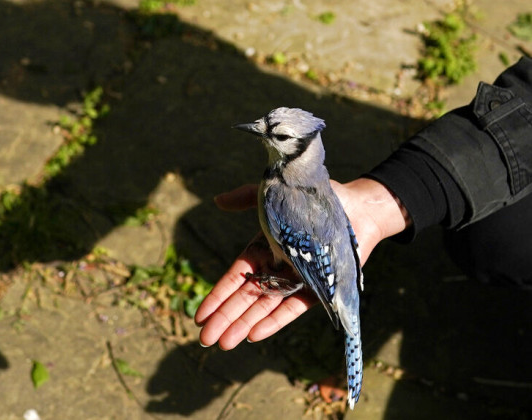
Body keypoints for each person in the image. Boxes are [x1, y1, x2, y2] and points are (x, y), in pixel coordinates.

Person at [194, 56, 532, 351]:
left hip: (326, 274)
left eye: (277, 135)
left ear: (304, 148)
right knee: (488, 242)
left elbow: (312, 268)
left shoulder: (279, 196)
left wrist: (292, 283)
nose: (259, 130)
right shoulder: (290, 185)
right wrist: (382, 202)